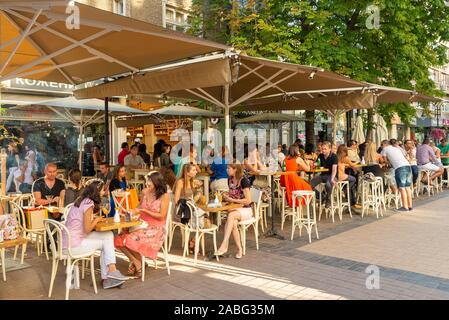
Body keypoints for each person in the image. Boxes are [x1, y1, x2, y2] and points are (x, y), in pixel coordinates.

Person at [63, 180, 129, 289]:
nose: (105, 191)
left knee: (108, 235)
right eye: (103, 189)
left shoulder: (82, 200)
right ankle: (109, 276)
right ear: (96, 192)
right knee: (106, 244)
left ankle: (110, 275)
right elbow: (88, 229)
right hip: (73, 244)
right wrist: (96, 220)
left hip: (71, 238)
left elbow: (83, 223)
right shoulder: (89, 204)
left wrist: (93, 219)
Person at [115, 171, 170, 277]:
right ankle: (137, 262)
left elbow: (162, 216)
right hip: (141, 223)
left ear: (157, 182)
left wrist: (144, 211)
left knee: (128, 239)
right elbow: (139, 207)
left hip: (155, 228)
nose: (147, 184)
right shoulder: (145, 192)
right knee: (118, 239)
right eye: (147, 181)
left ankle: (136, 264)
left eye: (149, 181)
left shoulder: (164, 196)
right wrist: (130, 211)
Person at [215, 164, 253, 259]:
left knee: (230, 216)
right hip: (235, 209)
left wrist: (232, 200)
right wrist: (227, 196)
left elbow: (248, 200)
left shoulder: (243, 181)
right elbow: (234, 194)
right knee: (233, 223)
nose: (227, 170)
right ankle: (239, 249)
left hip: (246, 210)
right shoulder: (230, 180)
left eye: (229, 168)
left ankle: (224, 244)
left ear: (235, 169)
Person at [173, 164, 205, 251]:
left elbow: (194, 199)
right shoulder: (180, 182)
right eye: (194, 170)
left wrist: (198, 189)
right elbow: (176, 200)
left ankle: (193, 241)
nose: (196, 172)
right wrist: (188, 205)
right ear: (187, 172)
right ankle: (192, 243)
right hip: (182, 211)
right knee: (203, 221)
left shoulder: (192, 182)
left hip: (191, 210)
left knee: (206, 221)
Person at [381, 140, 412, 212]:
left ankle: (405, 207)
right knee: (407, 187)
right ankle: (410, 206)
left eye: (382, 145)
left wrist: (387, 163)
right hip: (408, 166)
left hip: (400, 168)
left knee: (402, 188)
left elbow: (385, 162)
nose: (381, 146)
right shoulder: (396, 148)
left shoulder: (385, 149)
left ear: (385, 144)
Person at [310, 141, 338, 207]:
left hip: (331, 175)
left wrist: (332, 179)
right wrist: (313, 164)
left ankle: (328, 200)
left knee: (328, 185)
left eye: (325, 149)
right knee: (309, 185)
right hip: (323, 175)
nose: (323, 150)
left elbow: (334, 169)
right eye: (322, 149)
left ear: (330, 149)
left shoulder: (334, 156)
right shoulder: (320, 155)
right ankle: (322, 197)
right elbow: (317, 163)